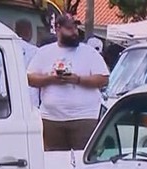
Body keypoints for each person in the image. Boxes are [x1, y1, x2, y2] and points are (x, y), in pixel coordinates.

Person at [27, 15, 109, 151]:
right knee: (55, 161)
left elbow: (103, 79)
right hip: (51, 118)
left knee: (82, 161)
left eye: (76, 28)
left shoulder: (89, 53)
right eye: (70, 29)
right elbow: (30, 78)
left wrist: (78, 80)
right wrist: (50, 79)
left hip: (84, 117)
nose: (75, 33)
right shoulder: (44, 52)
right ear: (58, 29)